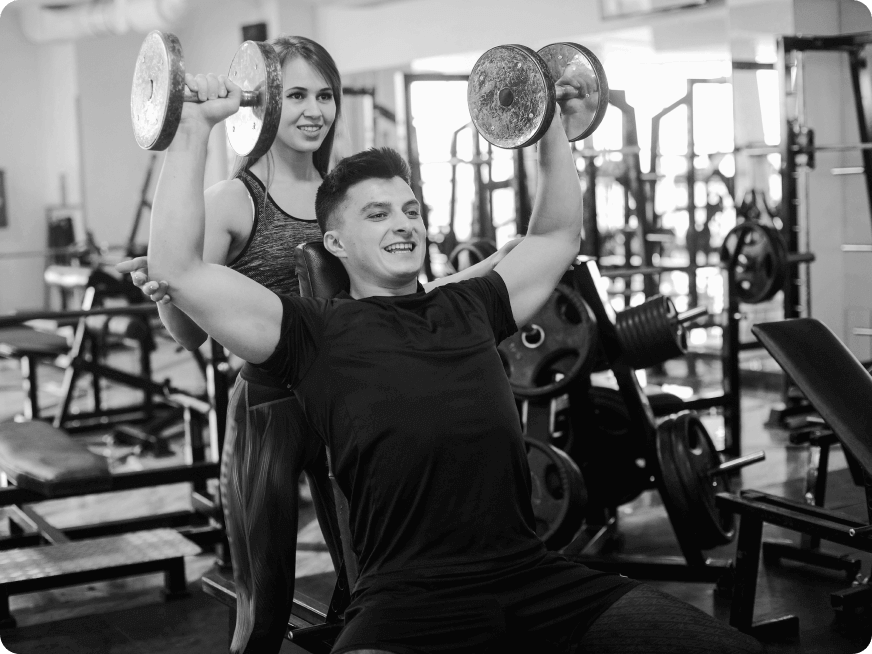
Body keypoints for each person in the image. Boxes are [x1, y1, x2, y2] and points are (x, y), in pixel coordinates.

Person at [130, 67, 763, 654]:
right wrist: (193, 128)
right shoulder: (311, 333)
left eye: (411, 211)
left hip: (535, 577)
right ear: (335, 242)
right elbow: (178, 270)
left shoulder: (470, 305)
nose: (403, 224)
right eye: (378, 214)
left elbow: (554, 236)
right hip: (408, 600)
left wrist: (551, 129)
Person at [120, 36, 519, 654]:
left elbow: (409, 301)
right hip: (271, 406)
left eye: (325, 95)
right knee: (264, 604)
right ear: (260, 100)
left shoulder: (352, 196)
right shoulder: (232, 200)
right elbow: (189, 333)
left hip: (355, 402)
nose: (314, 110)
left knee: (375, 582)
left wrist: (498, 265)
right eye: (296, 94)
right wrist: (166, 290)